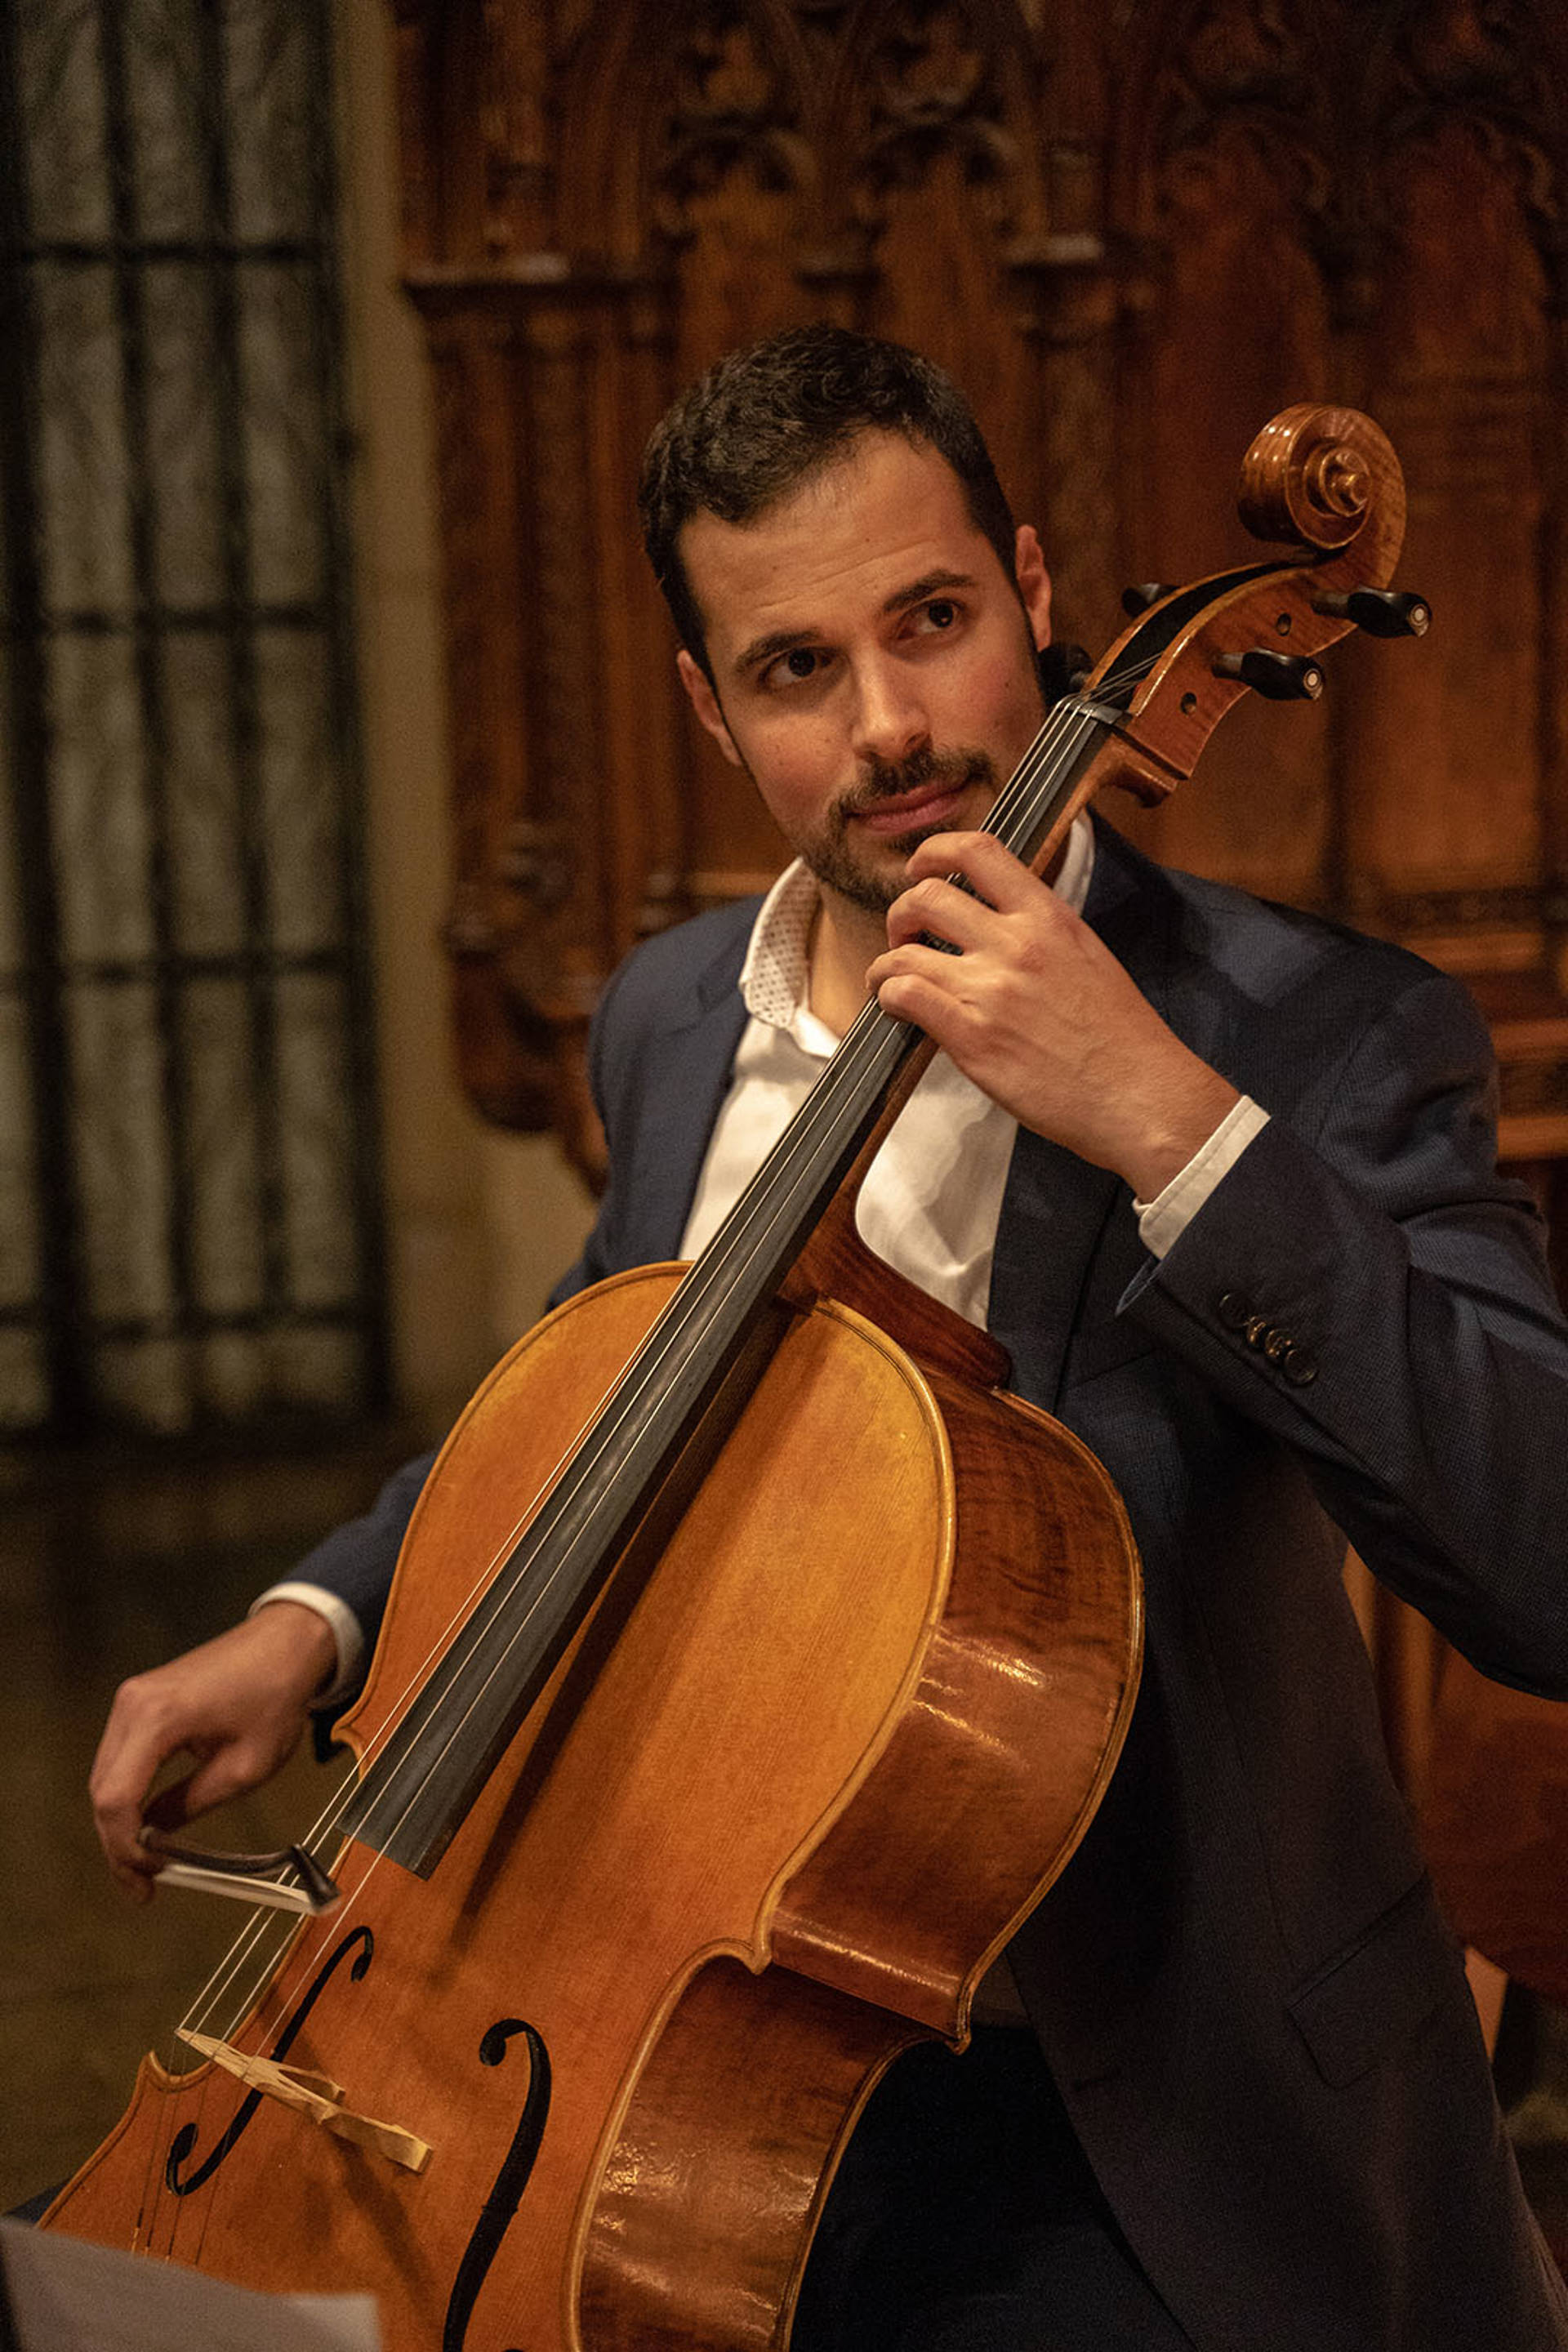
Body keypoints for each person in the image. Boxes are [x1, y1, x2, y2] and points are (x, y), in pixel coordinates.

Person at [89, 326, 1568, 2350]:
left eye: (933, 621)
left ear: (1032, 596)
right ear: (712, 709)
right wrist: (319, 1620)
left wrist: (1164, 1120)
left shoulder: (1316, 1032)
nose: (893, 727)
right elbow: (597, 1404)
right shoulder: (672, 1015)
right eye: (797, 667)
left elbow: (1542, 1558)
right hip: (674, 2017)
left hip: (1142, 2114)